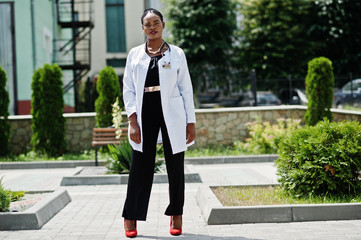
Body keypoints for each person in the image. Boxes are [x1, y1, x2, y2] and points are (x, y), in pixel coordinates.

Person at [122, 8, 196, 238]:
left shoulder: (177, 54)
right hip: (144, 114)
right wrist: (132, 121)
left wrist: (190, 122)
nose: (152, 27)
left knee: (175, 166)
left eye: (156, 22)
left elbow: (186, 89)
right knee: (140, 167)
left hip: (173, 114)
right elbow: (128, 89)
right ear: (142, 28)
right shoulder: (135, 54)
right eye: (147, 24)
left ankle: (176, 214)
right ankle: (131, 216)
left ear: (163, 25)